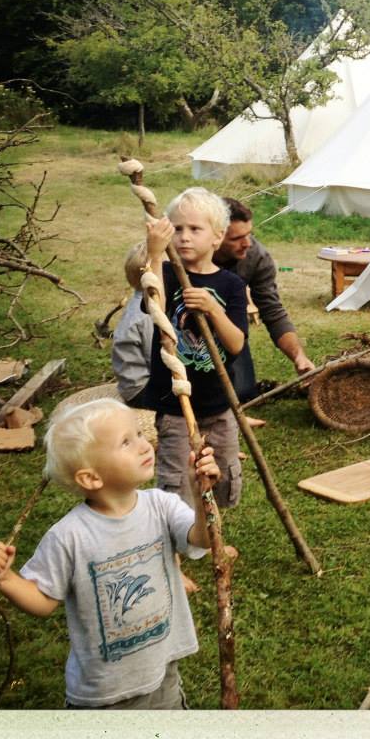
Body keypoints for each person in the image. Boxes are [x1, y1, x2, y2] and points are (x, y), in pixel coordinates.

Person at [0, 398, 220, 709]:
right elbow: (43, 600)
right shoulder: (69, 536)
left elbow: (202, 539)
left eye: (138, 434)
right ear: (91, 477)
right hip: (104, 696)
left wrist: (201, 495)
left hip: (163, 677)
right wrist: (7, 579)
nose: (145, 445)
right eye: (126, 442)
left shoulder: (161, 506)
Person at [142, 188, 248, 514]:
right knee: (176, 481)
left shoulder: (230, 285)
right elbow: (155, 307)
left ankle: (210, 534)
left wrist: (214, 310)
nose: (184, 237)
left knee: (225, 473)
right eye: (177, 229)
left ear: (218, 237)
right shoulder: (169, 275)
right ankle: (175, 546)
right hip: (174, 404)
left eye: (195, 229)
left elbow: (236, 344)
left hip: (218, 402)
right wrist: (155, 255)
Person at [214, 197, 315, 378]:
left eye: (249, 234)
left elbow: (272, 310)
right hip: (184, 327)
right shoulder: (185, 255)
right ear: (214, 237)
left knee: (243, 392)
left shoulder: (256, 256)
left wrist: (299, 356)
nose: (247, 243)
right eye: (237, 238)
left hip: (230, 328)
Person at [110, 240, 155, 408]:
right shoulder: (146, 314)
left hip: (139, 381)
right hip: (141, 389)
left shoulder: (142, 302)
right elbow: (155, 357)